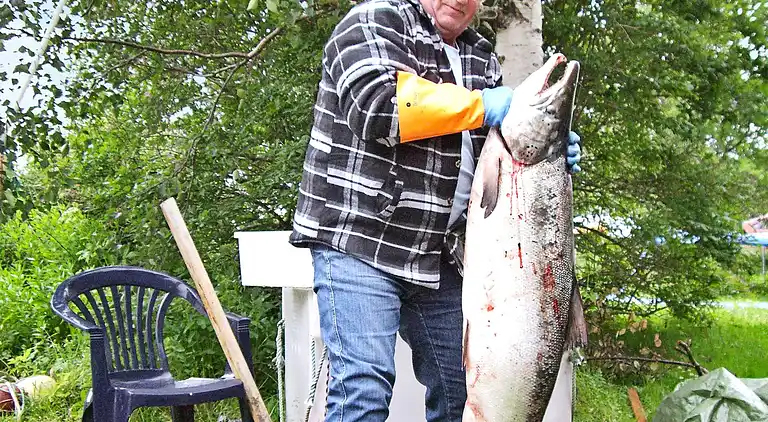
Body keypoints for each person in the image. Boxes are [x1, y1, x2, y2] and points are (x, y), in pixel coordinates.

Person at [289, 0, 582, 420]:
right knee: (364, 388)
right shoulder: (375, 20)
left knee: (468, 389)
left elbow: (489, 154)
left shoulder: (479, 54)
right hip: (359, 242)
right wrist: (483, 106)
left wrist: (544, 156)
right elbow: (379, 106)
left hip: (438, 254)